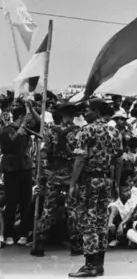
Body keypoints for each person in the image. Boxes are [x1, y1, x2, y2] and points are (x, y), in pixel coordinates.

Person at [68, 98, 123, 278]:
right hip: (107, 181)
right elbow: (119, 160)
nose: (86, 113)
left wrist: (72, 183)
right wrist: (116, 182)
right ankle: (99, 264)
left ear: (96, 111)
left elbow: (80, 159)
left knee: (88, 221)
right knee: (101, 221)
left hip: (90, 180)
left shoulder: (87, 130)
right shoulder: (115, 132)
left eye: (89, 110)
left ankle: (89, 264)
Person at [31, 102, 82, 257]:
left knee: (48, 210)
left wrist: (44, 173)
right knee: (72, 210)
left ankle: (39, 244)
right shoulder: (78, 132)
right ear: (73, 115)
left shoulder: (51, 131)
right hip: (71, 176)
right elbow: (80, 156)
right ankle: (75, 245)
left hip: (54, 176)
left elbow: (44, 153)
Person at [0, 99, 39, 248]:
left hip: (26, 169)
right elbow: (13, 144)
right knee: (11, 202)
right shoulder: (6, 130)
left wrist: (30, 107)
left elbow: (39, 122)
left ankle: (24, 233)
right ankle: (9, 234)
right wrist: (22, 127)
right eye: (27, 116)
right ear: (21, 117)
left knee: (26, 203)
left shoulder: (27, 130)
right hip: (12, 170)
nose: (29, 120)